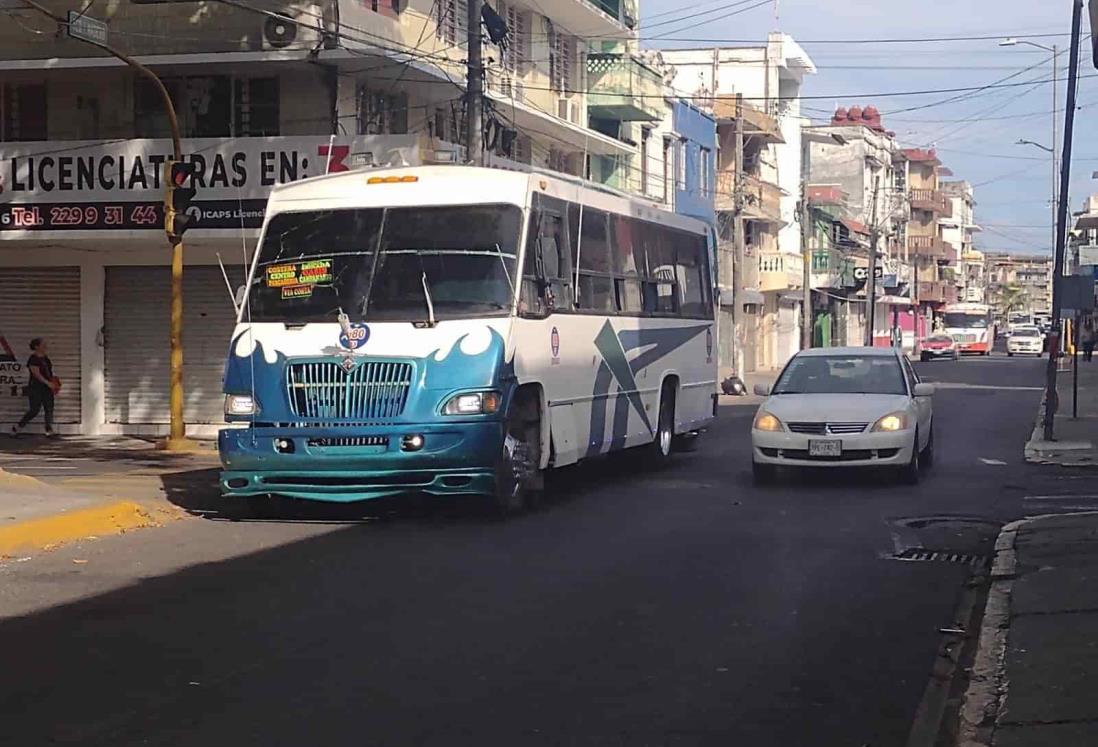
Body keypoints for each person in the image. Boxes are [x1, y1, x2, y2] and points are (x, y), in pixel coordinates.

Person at [11, 337, 59, 438]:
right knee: (34, 410)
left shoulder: (45, 358)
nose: (45, 346)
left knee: (49, 408)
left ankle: (49, 431)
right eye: (43, 344)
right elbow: (36, 374)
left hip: (47, 388)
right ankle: (17, 428)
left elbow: (48, 372)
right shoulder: (33, 359)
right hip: (36, 388)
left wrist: (54, 382)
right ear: (37, 346)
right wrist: (47, 383)